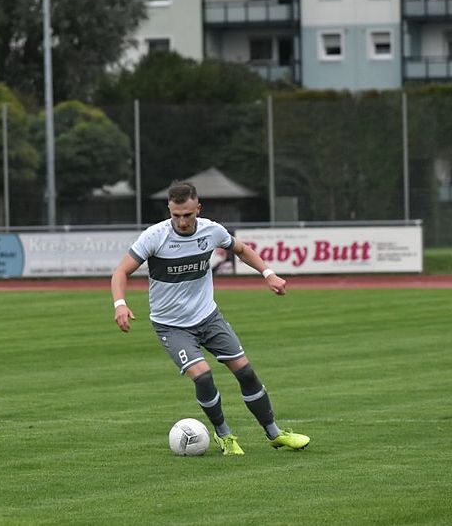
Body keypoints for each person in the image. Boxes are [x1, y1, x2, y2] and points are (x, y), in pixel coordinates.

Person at [111, 181, 310, 456]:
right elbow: (120, 272)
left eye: (187, 215)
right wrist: (120, 304)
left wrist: (269, 274)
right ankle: (225, 436)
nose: (182, 221)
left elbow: (242, 249)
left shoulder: (212, 231)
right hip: (172, 326)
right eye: (176, 215)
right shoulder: (154, 237)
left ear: (198, 209)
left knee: (246, 373)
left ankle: (275, 434)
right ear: (169, 210)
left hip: (208, 317)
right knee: (203, 377)